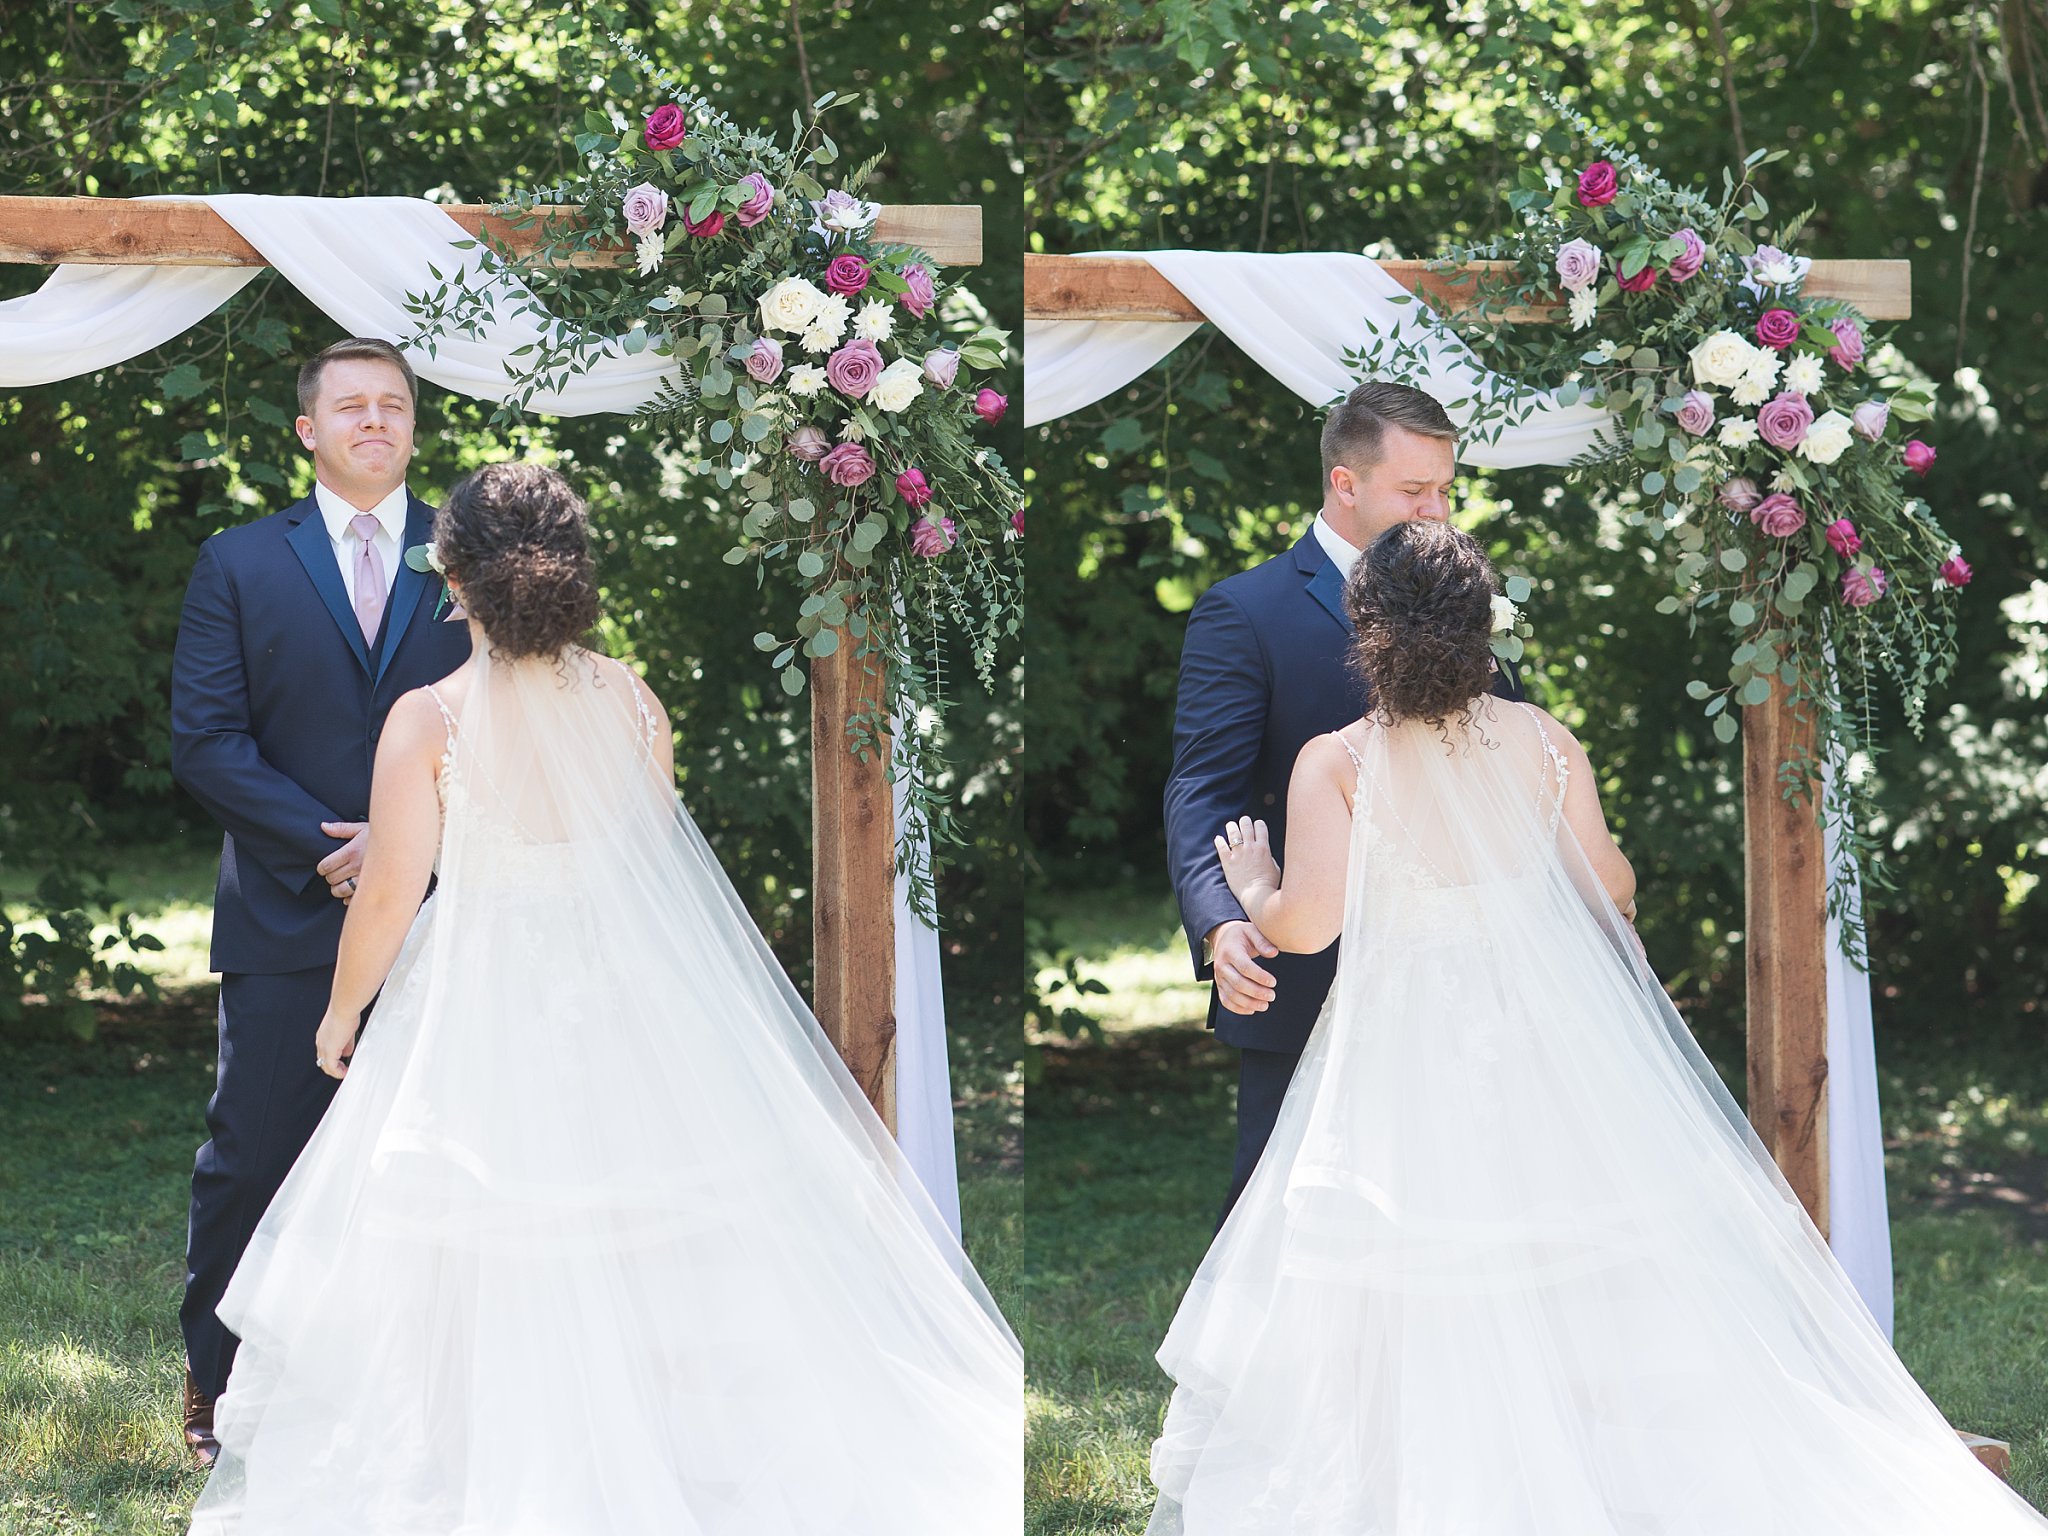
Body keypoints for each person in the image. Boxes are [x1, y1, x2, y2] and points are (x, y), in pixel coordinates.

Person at [1142, 519, 2045, 1534]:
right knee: (1571, 1247)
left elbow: (1308, 926)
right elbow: (1606, 885)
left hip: (1404, 1050)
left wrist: (1254, 885)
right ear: (1478, 629)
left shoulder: (1340, 761)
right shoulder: (1544, 741)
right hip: (1539, 1036)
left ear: (1369, 631)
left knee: (1411, 1262)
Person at [185, 461, 1022, 1535]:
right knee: (638, 1220)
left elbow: (389, 890)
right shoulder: (632, 699)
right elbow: (644, 859)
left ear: (454, 577)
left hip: (478, 1000)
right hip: (620, 994)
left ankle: (476, 1462)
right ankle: (648, 1454)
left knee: (468, 1239)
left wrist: (342, 1013)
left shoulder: (429, 719)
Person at [170, 337, 471, 1466]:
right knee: (251, 1158)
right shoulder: (238, 561)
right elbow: (205, 741)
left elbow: (509, 704)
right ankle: (219, 1382)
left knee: (441, 1164)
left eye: (393, 405)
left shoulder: (472, 553)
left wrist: (410, 849)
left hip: (452, 910)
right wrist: (327, 846)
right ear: (308, 429)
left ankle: (410, 1397)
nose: (375, 420)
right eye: (350, 406)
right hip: (286, 912)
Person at [1163, 381, 1525, 1223]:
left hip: (1460, 971)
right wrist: (1223, 922)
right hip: (1306, 960)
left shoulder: (1473, 598)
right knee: (1279, 1211)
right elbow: (1204, 786)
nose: (1438, 511)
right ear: (1345, 483)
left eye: (1445, 489)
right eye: (1415, 491)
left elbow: (1496, 758)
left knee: (1461, 1202)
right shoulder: (1244, 611)